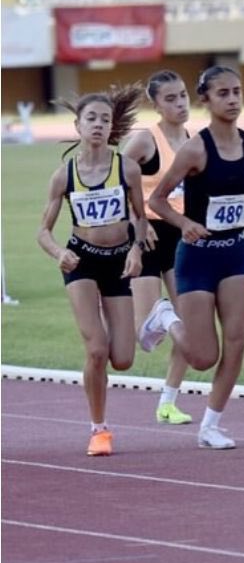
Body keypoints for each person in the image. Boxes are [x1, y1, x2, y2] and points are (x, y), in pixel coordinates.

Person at [144, 66, 244, 450]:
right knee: (204, 357)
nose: (234, 99)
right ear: (205, 99)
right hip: (197, 257)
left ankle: (210, 425)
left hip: (236, 253)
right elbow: (156, 199)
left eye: (238, 92)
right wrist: (183, 221)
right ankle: (164, 317)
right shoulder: (195, 149)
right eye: (223, 93)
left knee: (237, 341)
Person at [36, 86, 148, 456]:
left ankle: (154, 318)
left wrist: (136, 247)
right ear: (78, 125)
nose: (99, 125)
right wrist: (57, 253)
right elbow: (43, 232)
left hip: (118, 261)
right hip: (81, 261)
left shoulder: (126, 168)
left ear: (112, 127)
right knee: (97, 350)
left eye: (105, 119)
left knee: (124, 359)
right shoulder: (64, 176)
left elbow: (140, 217)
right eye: (92, 119)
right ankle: (99, 429)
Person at [122, 70, 194, 426]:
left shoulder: (195, 139)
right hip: (147, 237)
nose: (180, 104)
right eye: (171, 98)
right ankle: (159, 312)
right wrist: (139, 222)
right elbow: (112, 181)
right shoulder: (145, 142)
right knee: (143, 336)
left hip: (182, 237)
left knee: (190, 326)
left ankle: (168, 401)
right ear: (156, 103)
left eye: (183, 96)